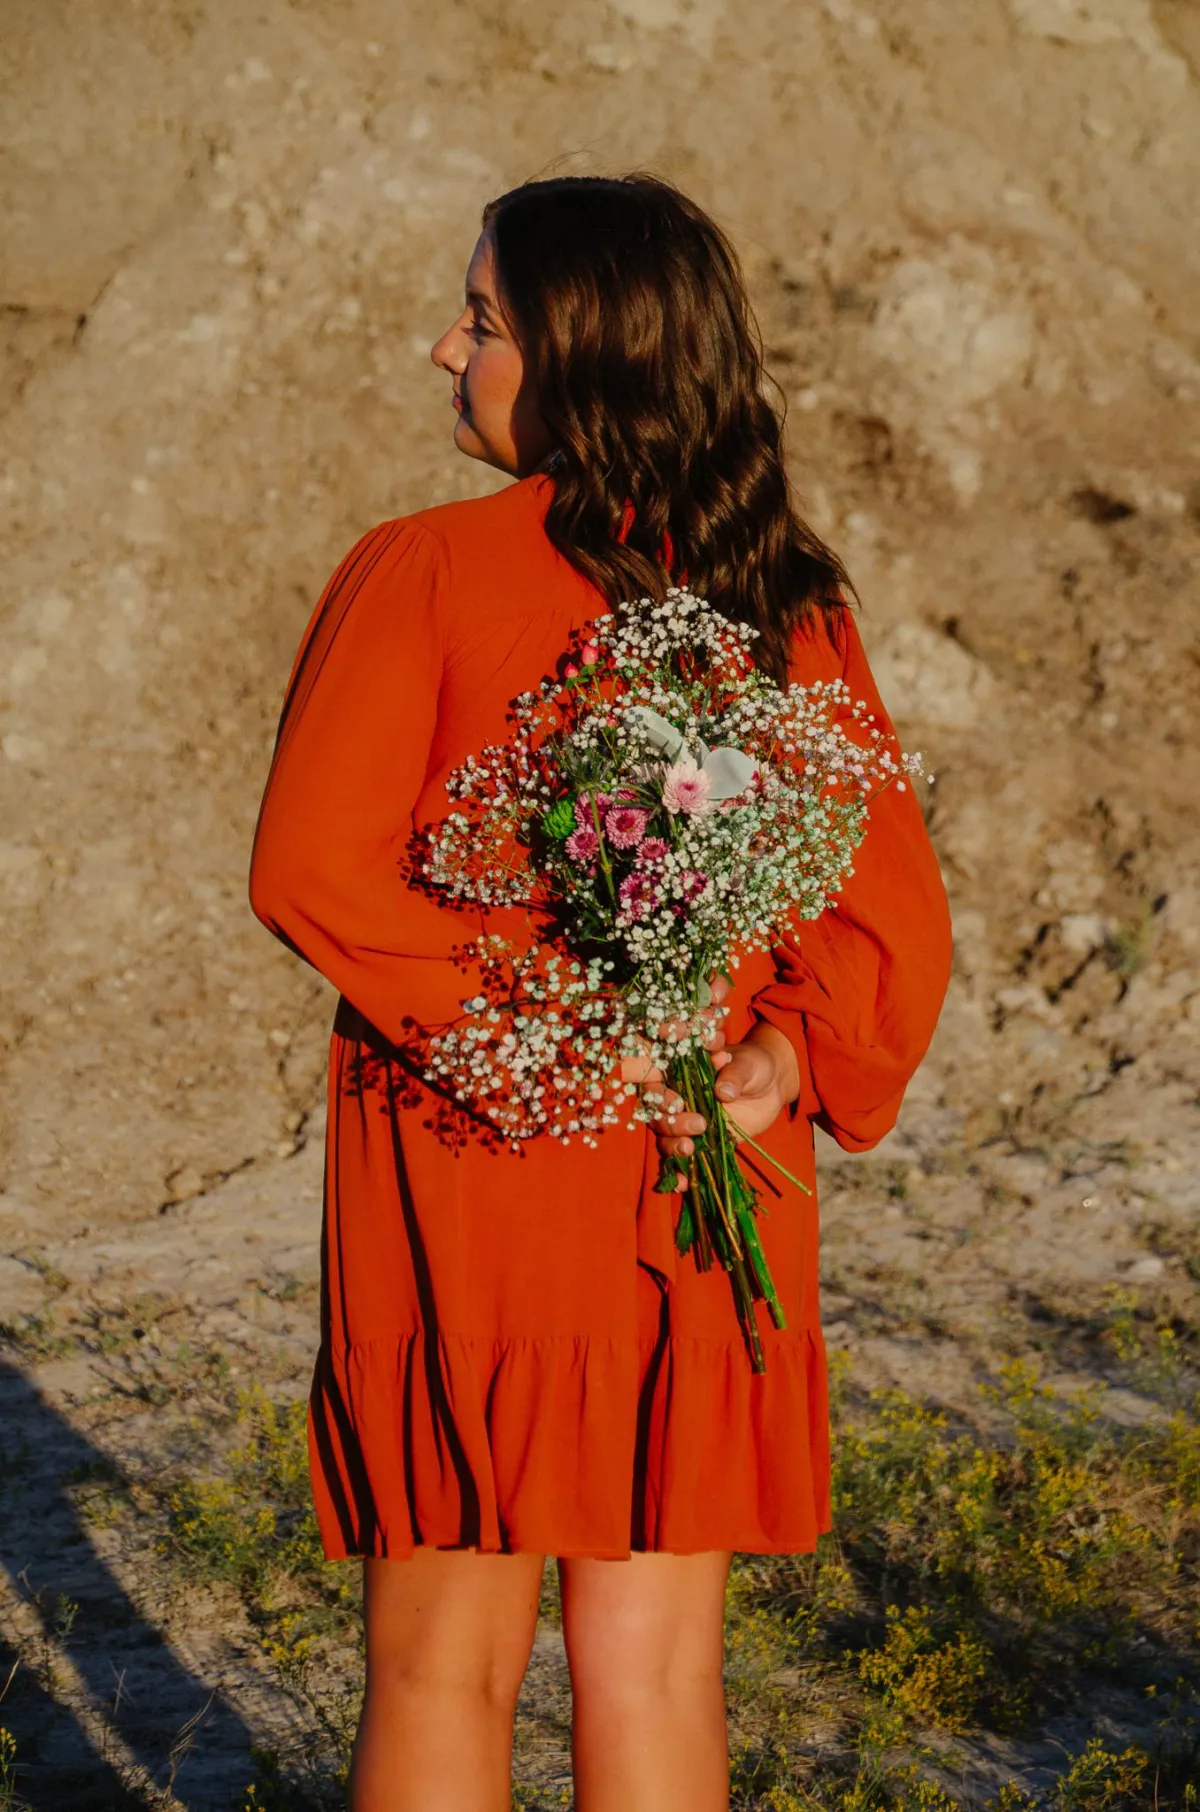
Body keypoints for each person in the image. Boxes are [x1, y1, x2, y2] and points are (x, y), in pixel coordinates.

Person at [249, 174, 951, 1812]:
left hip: (478, 1166)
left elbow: (312, 870)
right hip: (700, 1175)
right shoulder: (778, 594)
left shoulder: (423, 570)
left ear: (583, 353)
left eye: (482, 320)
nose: (446, 350)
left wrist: (542, 1035)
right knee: (656, 1675)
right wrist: (777, 1061)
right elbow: (889, 917)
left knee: (443, 1668)